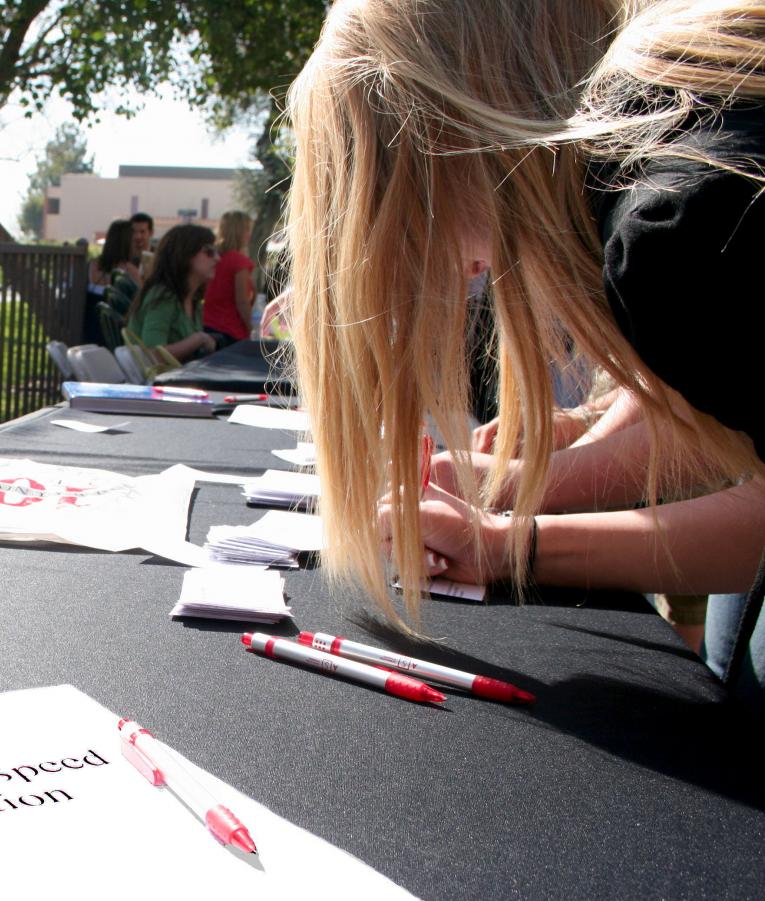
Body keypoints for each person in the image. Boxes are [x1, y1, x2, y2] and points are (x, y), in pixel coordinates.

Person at [282, 0, 765, 702]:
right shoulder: (679, 128)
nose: (448, 264)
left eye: (402, 208)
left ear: (443, 144)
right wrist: (514, 487)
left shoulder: (680, 227)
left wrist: (516, 544)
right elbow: (705, 391)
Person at [125, 223, 218, 368]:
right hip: (158, 387)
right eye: (209, 252)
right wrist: (198, 339)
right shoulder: (163, 297)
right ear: (186, 254)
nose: (218, 258)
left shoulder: (193, 299)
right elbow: (152, 355)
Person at [202, 209, 255, 345]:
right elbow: (242, 302)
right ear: (240, 232)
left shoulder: (212, 258)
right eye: (247, 230)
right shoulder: (239, 262)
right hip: (230, 330)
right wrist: (253, 330)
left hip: (206, 325)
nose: (250, 235)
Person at [129, 212, 155, 277]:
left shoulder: (158, 257)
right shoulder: (123, 257)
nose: (138, 236)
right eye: (134, 231)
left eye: (142, 232)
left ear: (151, 233)